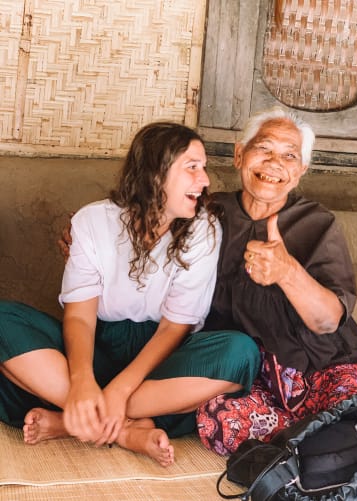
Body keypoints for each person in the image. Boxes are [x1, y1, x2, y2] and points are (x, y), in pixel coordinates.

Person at [0, 122, 260, 466]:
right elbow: (79, 315)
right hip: (94, 349)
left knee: (240, 354)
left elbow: (173, 328)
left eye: (204, 168)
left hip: (164, 360)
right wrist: (81, 382)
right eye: (192, 167)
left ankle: (74, 421)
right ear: (157, 172)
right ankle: (122, 430)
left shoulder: (204, 229)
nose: (205, 179)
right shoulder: (93, 221)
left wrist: (119, 391)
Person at [196, 107, 357, 455]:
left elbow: (328, 320)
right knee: (218, 417)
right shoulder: (208, 214)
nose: (275, 163)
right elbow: (146, 224)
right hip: (247, 372)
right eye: (265, 148)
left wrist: (288, 271)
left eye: (290, 155)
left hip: (321, 369)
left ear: (300, 171)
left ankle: (304, 447)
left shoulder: (317, 224)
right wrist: (81, 234)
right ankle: (316, 447)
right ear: (239, 155)